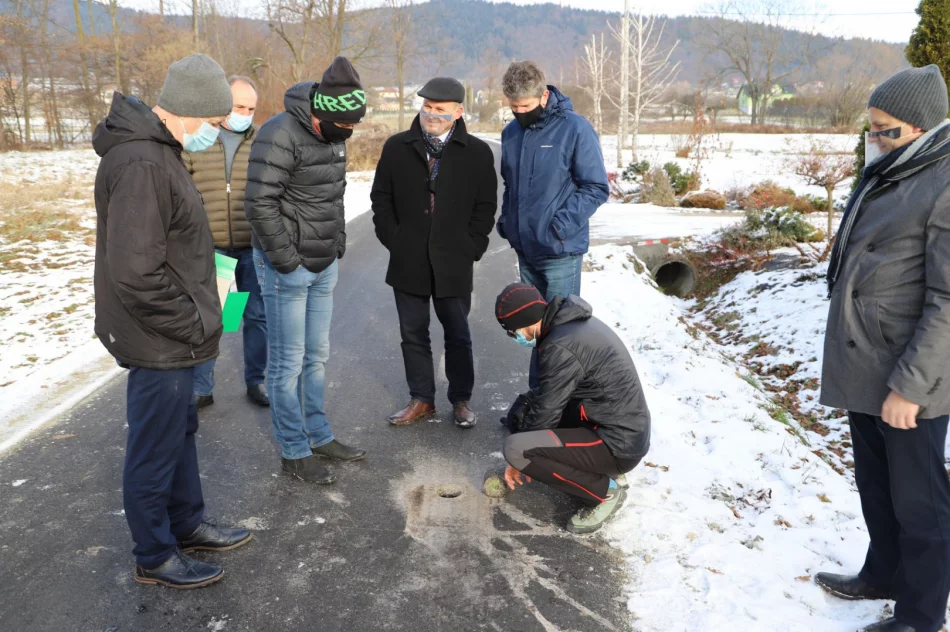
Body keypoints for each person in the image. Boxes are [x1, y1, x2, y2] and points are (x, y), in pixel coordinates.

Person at [93, 54, 252, 589]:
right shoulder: (142, 162)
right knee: (155, 445)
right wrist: (192, 321)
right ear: (185, 111)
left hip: (173, 334)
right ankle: (154, 554)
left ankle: (186, 523)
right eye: (212, 122)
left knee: (179, 432)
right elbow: (135, 272)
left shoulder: (162, 152)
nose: (215, 133)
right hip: (159, 335)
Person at [816, 64, 950, 632]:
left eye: (887, 130)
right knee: (877, 486)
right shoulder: (894, 169)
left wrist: (910, 388)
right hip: (866, 358)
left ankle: (921, 615)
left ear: (922, 127)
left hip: (908, 376)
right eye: (871, 129)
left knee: (921, 503)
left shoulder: (942, 183)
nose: (875, 140)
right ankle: (883, 573)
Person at [245, 57, 367, 485]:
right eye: (345, 124)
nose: (349, 132)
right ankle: (294, 451)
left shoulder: (336, 134)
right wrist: (286, 261)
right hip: (288, 269)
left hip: (323, 264)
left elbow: (335, 195)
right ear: (322, 111)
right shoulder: (279, 133)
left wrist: (337, 246)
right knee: (287, 364)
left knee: (317, 357)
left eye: (353, 125)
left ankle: (318, 435)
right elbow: (259, 203)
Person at [371, 77, 497, 428]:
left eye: (440, 109)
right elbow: (380, 199)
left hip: (454, 260)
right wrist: (393, 239)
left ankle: (461, 400)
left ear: (458, 112)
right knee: (413, 333)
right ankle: (421, 399)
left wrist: (474, 245)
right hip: (408, 258)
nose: (431, 114)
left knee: (458, 333)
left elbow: (485, 206)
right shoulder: (397, 147)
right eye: (426, 107)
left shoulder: (477, 153)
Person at [495, 283, 650, 534]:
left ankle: (604, 493)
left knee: (516, 448)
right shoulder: (570, 325)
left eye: (514, 332)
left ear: (527, 320)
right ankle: (602, 471)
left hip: (618, 445)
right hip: (619, 429)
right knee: (525, 408)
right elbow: (549, 396)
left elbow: (547, 411)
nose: (516, 338)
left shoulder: (560, 346)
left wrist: (519, 458)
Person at [497, 61, 609, 389]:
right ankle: (539, 400)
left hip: (560, 249)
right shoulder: (511, 133)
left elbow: (596, 187)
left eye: (525, 106)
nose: (519, 112)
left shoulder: (575, 129)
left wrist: (559, 226)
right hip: (526, 248)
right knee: (535, 332)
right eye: (513, 107)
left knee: (561, 333)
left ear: (543, 96)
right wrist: (507, 221)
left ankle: (560, 411)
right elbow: (511, 184)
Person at [184, 75, 269, 410]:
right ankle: (202, 387)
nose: (244, 113)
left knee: (255, 315)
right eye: (238, 106)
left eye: (250, 108)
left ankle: (256, 381)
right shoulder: (199, 138)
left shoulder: (263, 140)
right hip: (214, 247)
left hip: (252, 246)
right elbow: (183, 190)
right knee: (213, 316)